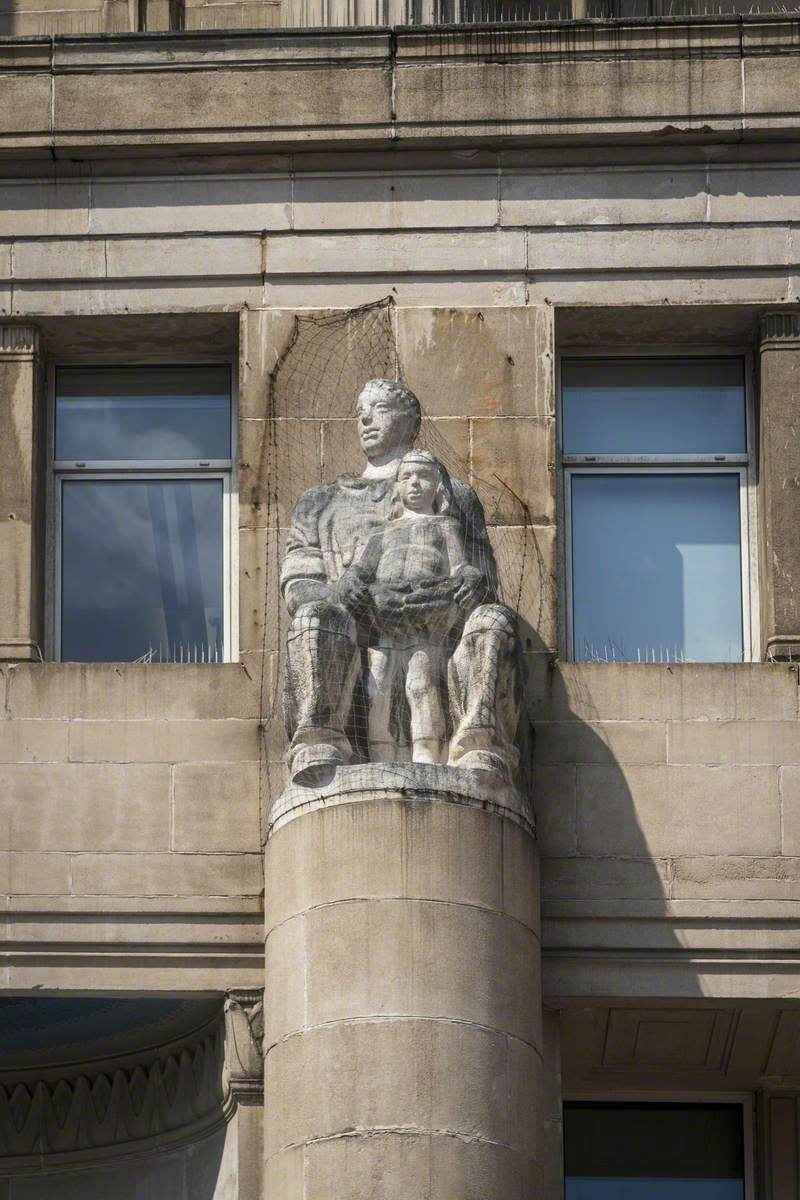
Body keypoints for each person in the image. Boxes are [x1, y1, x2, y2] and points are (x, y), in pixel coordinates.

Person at [280, 378, 520, 786]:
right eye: (360, 412)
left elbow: (481, 579)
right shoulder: (321, 501)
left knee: (492, 622)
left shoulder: (454, 497)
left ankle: (476, 745)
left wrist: (452, 592)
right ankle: (320, 742)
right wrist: (344, 594)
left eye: (380, 409)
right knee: (312, 619)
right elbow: (298, 583)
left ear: (411, 422)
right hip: (356, 628)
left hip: (436, 625)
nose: (366, 420)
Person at [341, 449, 477, 765]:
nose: (414, 483)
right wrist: (350, 581)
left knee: (420, 682)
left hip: (426, 616)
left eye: (423, 476)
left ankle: (426, 752)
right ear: (397, 486)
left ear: (438, 486)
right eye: (406, 476)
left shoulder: (444, 526)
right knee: (377, 685)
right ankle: (381, 756)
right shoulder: (382, 532)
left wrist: (467, 576)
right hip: (383, 616)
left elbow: (460, 566)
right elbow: (362, 571)